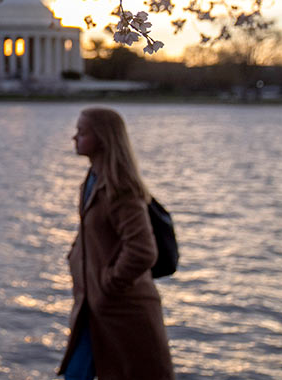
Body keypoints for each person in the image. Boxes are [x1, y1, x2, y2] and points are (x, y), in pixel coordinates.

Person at [58, 107, 174, 380]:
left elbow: (143, 250)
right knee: (77, 373)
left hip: (122, 310)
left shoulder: (121, 188)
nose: (75, 138)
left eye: (82, 132)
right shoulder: (92, 180)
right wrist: (75, 256)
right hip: (93, 305)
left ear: (102, 137)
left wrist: (108, 283)